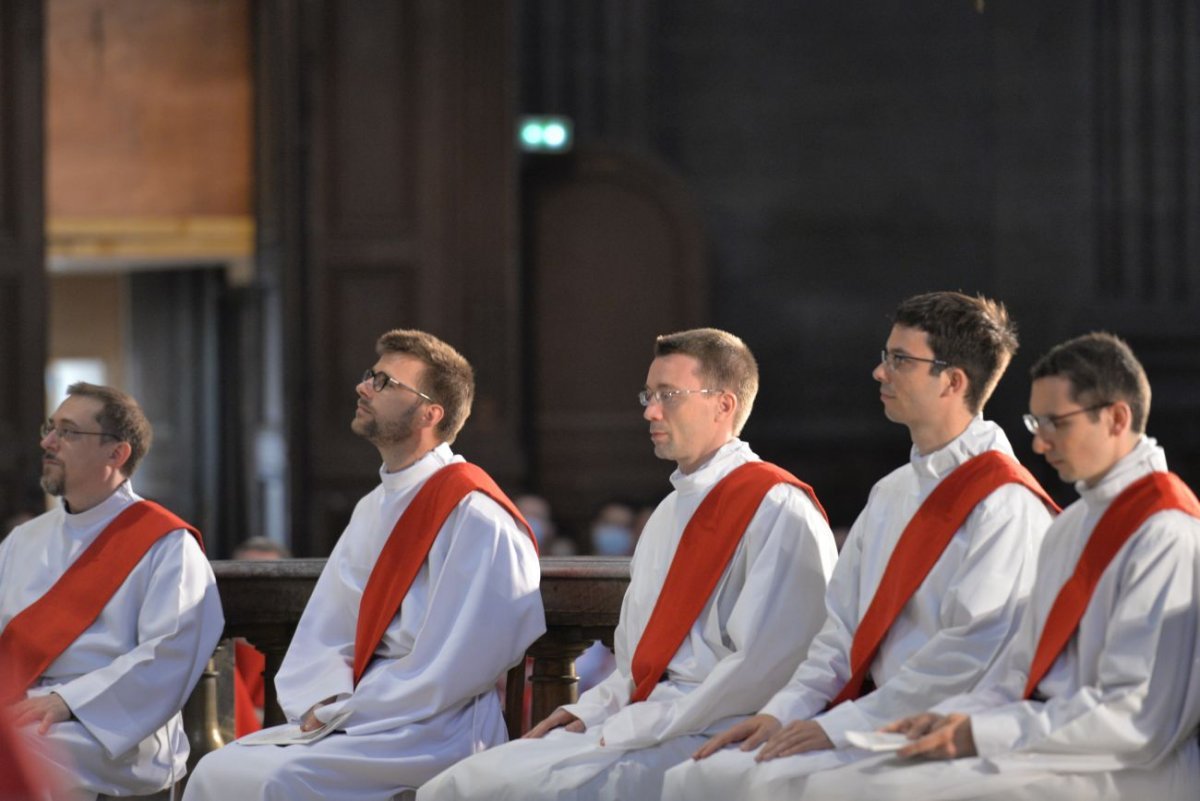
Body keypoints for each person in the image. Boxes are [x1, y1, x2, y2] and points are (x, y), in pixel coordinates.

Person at [664, 292, 1059, 800]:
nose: (880, 372)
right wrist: (782, 712)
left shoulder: (1005, 505)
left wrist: (842, 725)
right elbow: (840, 632)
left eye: (900, 360)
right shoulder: (891, 493)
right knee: (699, 777)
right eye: (884, 356)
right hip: (869, 720)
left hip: (948, 731)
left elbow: (969, 658)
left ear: (954, 381)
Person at [418, 327, 839, 801]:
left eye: (668, 395)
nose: (650, 411)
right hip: (647, 719)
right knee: (458, 783)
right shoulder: (668, 513)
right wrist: (591, 709)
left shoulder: (777, 507)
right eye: (649, 394)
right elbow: (641, 661)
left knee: (508, 790)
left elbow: (770, 665)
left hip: (718, 732)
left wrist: (635, 721)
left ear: (724, 404)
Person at [791, 332, 1200, 801]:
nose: (1041, 444)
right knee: (849, 781)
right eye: (1035, 423)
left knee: (876, 790)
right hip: (1051, 741)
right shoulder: (1073, 526)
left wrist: (983, 735)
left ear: (1116, 418)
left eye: (1055, 423)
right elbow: (1018, 668)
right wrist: (958, 717)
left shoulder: (1166, 532)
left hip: (1129, 768)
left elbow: (1137, 716)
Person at [184, 329, 545, 801]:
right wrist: (326, 699)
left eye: (385, 382)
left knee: (274, 782)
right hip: (363, 718)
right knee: (216, 771)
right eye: (369, 376)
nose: (364, 388)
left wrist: (349, 710)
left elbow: (460, 664)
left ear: (429, 413)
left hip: (434, 729)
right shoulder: (375, 507)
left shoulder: (475, 514)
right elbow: (330, 626)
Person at [0, 382, 224, 799]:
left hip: (113, 729)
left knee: (16, 752)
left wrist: (69, 701)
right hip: (21, 705)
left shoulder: (166, 543)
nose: (48, 442)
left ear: (116, 453)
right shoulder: (22, 541)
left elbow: (169, 652)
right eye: (50, 427)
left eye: (67, 431)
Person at [230, 537, 293, 737]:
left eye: (265, 583)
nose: (252, 594)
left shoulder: (301, 651)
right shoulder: (212, 652)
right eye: (243, 580)